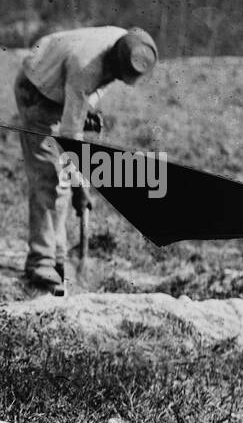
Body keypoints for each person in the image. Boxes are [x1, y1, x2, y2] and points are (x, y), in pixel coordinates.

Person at [14, 26, 158, 291]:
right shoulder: (86, 66)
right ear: (115, 61)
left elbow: (88, 93)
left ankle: (58, 257)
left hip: (62, 89)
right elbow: (71, 139)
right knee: (49, 177)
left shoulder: (126, 43)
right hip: (36, 89)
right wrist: (82, 184)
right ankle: (41, 262)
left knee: (62, 182)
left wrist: (85, 109)